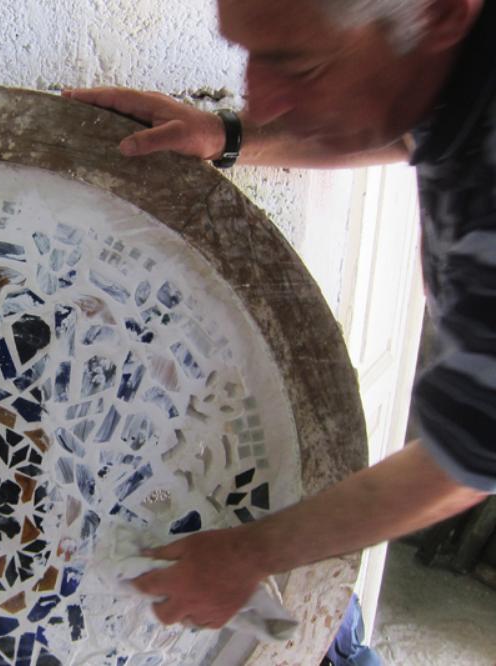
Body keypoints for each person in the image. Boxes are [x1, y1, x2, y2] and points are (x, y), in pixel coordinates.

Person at [64, 0, 494, 631]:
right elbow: (408, 128)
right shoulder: (456, 71)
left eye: (301, 66)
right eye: (251, 55)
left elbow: (470, 454)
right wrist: (230, 137)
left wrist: (244, 555)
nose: (261, 100)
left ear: (440, 15)